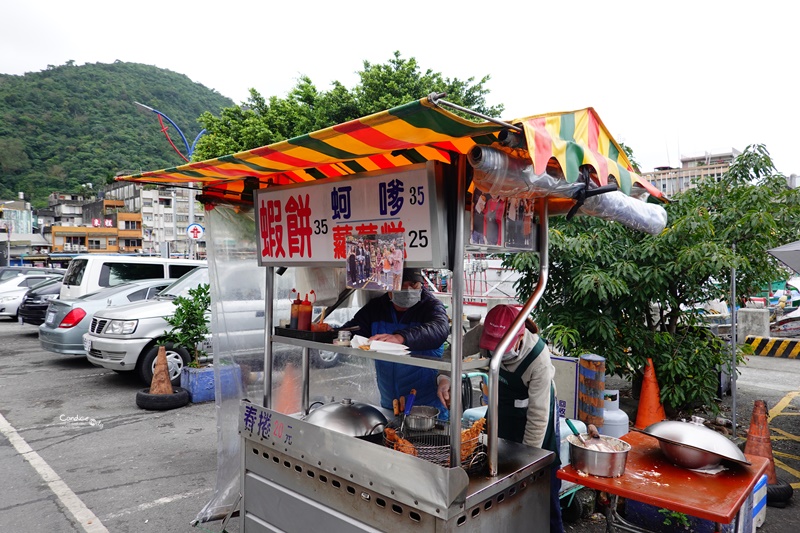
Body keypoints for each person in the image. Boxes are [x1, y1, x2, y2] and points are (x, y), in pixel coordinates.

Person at [479, 304, 563, 533]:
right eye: (491, 346)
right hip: (501, 406)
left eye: (502, 347)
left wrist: (528, 468)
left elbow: (538, 417)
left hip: (534, 416)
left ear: (518, 337)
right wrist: (444, 379)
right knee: (491, 468)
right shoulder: (484, 333)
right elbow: (453, 351)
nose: (496, 352)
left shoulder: (538, 358)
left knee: (542, 484)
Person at [342, 268, 451, 416]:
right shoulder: (376, 308)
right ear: (388, 286)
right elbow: (352, 330)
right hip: (390, 404)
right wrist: (325, 333)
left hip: (427, 408)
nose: (407, 289)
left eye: (413, 283)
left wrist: (401, 338)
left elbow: (440, 329)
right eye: (400, 284)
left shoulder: (430, 306)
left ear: (421, 284)